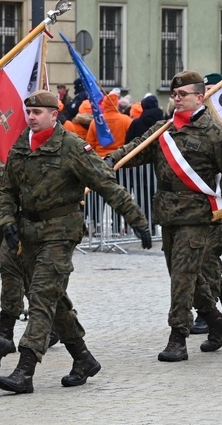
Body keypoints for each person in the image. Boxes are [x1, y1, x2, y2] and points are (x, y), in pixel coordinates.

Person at [0, 90, 151, 394]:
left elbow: (104, 183)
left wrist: (137, 220)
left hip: (60, 231)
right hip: (29, 235)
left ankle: (24, 371)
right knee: (54, 301)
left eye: (38, 112)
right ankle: (83, 358)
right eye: (28, 112)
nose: (31, 117)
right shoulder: (20, 145)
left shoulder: (71, 146)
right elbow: (6, 190)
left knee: (41, 297)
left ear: (54, 116)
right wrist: (8, 222)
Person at [106, 70, 222, 362]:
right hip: (167, 215)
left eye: (183, 95)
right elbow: (133, 151)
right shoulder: (163, 130)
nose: (176, 99)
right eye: (174, 95)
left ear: (199, 97)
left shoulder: (216, 133)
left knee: (181, 278)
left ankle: (178, 337)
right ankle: (217, 320)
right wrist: (108, 161)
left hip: (197, 216)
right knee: (185, 277)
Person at [189, 72, 222, 335]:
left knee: (207, 256)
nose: (209, 95)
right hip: (196, 207)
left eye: (215, 90)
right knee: (196, 259)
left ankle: (205, 312)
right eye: (206, 90)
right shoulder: (192, 124)